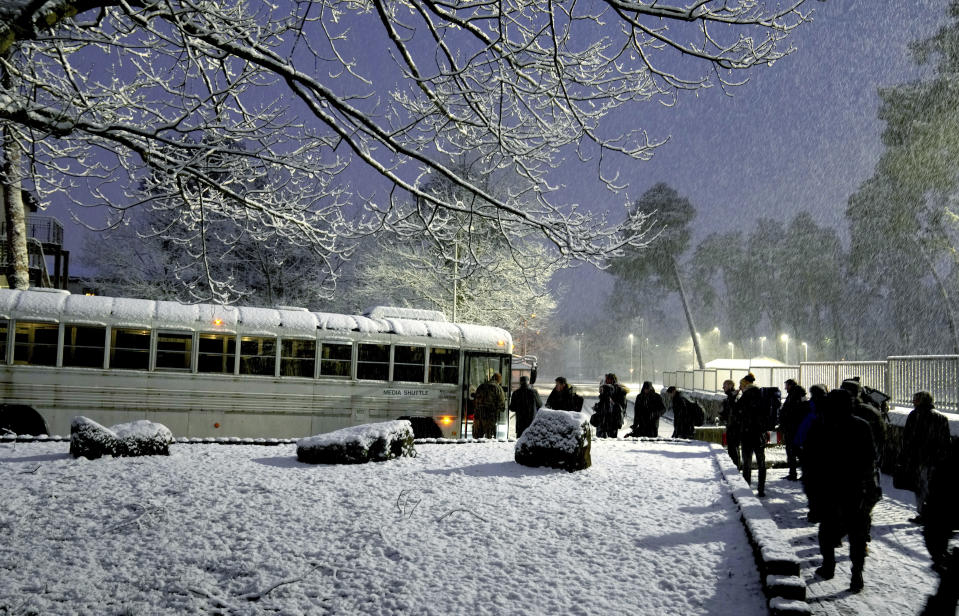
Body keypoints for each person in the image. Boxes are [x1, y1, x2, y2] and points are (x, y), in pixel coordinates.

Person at [802, 388, 880, 593]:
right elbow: (870, 459)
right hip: (854, 489)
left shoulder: (819, 426)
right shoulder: (861, 426)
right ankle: (857, 574)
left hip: (827, 489)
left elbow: (809, 464)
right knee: (857, 534)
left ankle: (828, 567)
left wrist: (812, 495)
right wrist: (867, 486)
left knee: (827, 531)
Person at [899, 391, 951, 524]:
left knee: (921, 488)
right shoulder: (941, 417)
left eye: (915, 400)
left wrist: (906, 456)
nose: (913, 402)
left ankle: (924, 514)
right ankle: (935, 514)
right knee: (935, 488)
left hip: (920, 458)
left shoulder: (915, 415)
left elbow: (908, 438)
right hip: (937, 459)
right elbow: (946, 441)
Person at [737, 373, 767, 497]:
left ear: (745, 385)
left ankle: (747, 488)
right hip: (759, 434)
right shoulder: (761, 394)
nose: (740, 387)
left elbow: (737, 412)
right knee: (761, 463)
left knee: (747, 463)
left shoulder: (745, 396)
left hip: (747, 434)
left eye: (741, 385)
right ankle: (761, 489)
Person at [779, 379, 809, 481]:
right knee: (793, 451)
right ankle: (794, 473)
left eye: (786, 385)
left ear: (791, 385)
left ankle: (798, 473)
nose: (785, 388)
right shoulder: (794, 394)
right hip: (792, 427)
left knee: (794, 451)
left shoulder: (797, 395)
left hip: (793, 428)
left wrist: (788, 419)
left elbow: (799, 411)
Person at [472, 372, 506, 439]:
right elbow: (501, 404)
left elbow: (475, 400)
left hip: (478, 416)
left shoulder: (481, 386)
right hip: (489, 417)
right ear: (498, 380)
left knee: (477, 439)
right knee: (489, 439)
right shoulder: (498, 388)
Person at [718, 379, 742, 469]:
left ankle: (736, 468)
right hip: (731, 427)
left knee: (734, 450)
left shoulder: (733, 397)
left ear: (730, 386)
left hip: (734, 428)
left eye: (725, 386)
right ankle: (734, 467)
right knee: (732, 450)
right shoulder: (730, 397)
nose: (723, 388)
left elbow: (735, 413)